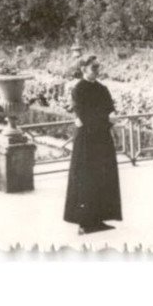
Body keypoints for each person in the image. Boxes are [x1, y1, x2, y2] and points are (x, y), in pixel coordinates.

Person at [64, 54, 122, 235]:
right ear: (83, 69)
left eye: (98, 66)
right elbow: (84, 116)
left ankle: (99, 219)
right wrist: (107, 118)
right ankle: (84, 223)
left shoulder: (102, 88)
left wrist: (110, 117)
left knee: (103, 177)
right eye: (93, 67)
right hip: (87, 141)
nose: (97, 70)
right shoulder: (78, 90)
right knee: (86, 178)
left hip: (102, 138)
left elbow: (110, 108)